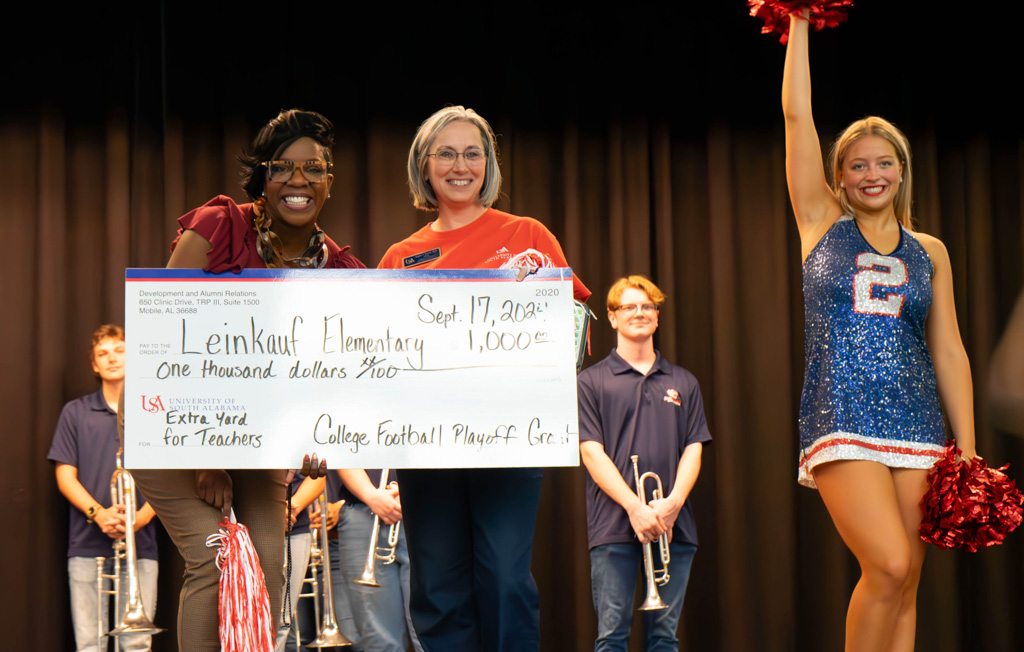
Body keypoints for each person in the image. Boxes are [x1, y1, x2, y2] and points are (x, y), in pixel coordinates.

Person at [127, 109, 364, 652]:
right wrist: (204, 455)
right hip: (171, 428)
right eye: (284, 167)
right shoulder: (220, 227)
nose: (299, 180)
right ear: (261, 174)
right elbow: (164, 336)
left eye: (315, 168)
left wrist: (320, 440)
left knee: (266, 563)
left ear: (330, 179)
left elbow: (338, 375)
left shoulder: (340, 270)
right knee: (216, 558)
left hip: (257, 442)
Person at [782, 12, 977, 652]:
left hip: (919, 422)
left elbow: (947, 348)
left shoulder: (931, 250)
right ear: (839, 175)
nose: (872, 174)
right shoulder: (819, 223)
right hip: (841, 415)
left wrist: (967, 449)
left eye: (884, 162)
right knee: (887, 563)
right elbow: (795, 118)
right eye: (857, 164)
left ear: (901, 170)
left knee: (909, 577)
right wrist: (800, 21)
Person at [378, 105, 590, 652]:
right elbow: (374, 360)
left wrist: (537, 308)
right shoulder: (400, 258)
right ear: (424, 166)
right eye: (445, 153)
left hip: (510, 441)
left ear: (489, 163)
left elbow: (576, 336)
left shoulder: (526, 235)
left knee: (503, 579)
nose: (460, 165)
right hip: (427, 448)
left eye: (473, 153)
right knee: (438, 589)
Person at [577, 276, 709, 652]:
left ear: (657, 316)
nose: (639, 313)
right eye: (628, 306)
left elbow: (694, 448)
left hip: (673, 526)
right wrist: (635, 508)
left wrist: (674, 503)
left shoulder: (684, 381)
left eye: (647, 306)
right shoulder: (591, 381)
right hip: (614, 527)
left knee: (665, 639)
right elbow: (591, 452)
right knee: (612, 638)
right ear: (612, 318)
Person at [49, 325, 159, 652]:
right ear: (95, 366)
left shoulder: (153, 410)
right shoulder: (76, 412)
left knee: (137, 643)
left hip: (141, 542)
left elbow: (172, 476)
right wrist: (98, 514)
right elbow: (65, 475)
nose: (112, 358)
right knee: (89, 644)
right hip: (86, 544)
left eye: (120, 350)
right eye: (103, 354)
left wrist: (139, 518)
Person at [334, 468, 423, 652]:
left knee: (430, 628)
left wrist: (408, 489)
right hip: (361, 507)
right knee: (377, 641)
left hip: (426, 505)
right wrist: (371, 495)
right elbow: (341, 446)